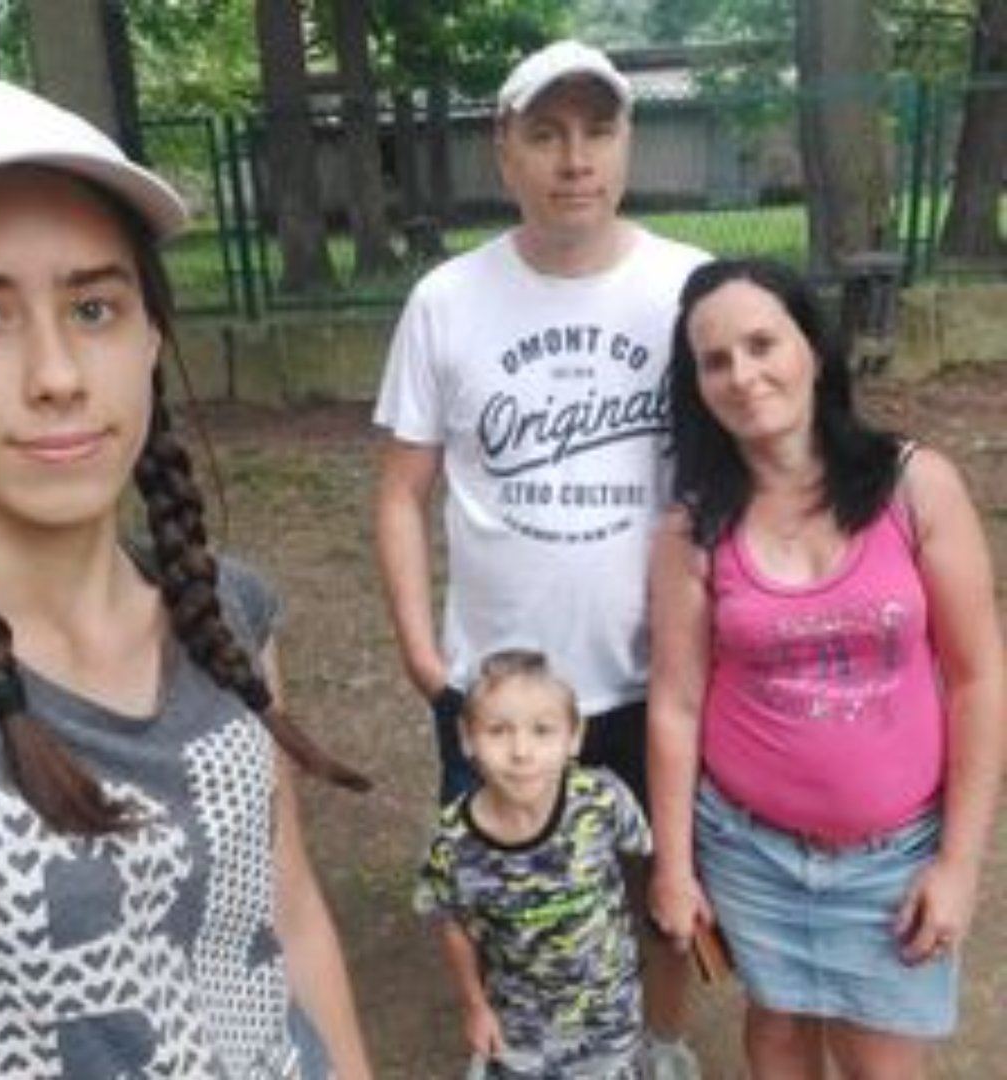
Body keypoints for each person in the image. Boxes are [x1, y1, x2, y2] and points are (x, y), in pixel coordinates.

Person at [0, 79, 373, 1079]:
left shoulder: (231, 611)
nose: (57, 375)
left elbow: (286, 904)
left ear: (150, 339)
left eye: (94, 307)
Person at [374, 39, 707, 1077]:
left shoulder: (689, 286)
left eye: (599, 131)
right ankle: (515, 1047)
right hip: (499, 689)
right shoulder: (446, 300)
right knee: (503, 887)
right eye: (548, 134)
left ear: (627, 141)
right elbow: (401, 492)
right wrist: (423, 654)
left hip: (653, 678)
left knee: (661, 882)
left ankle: (658, 1047)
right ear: (503, 149)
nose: (576, 160)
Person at [647, 257, 1005, 1078]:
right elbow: (675, 704)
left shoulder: (915, 487)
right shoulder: (692, 529)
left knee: (881, 1061)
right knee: (777, 1033)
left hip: (894, 856)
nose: (743, 376)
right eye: (715, 361)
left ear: (811, 346)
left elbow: (979, 679)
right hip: (749, 850)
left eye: (762, 344)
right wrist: (673, 867)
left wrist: (958, 865)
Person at [415, 649, 652, 1078]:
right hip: (520, 1030)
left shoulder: (603, 801)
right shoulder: (453, 842)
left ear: (574, 737)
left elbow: (637, 866)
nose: (521, 752)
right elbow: (454, 925)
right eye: (498, 731)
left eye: (543, 730)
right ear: (466, 737)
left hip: (610, 1020)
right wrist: (475, 1007)